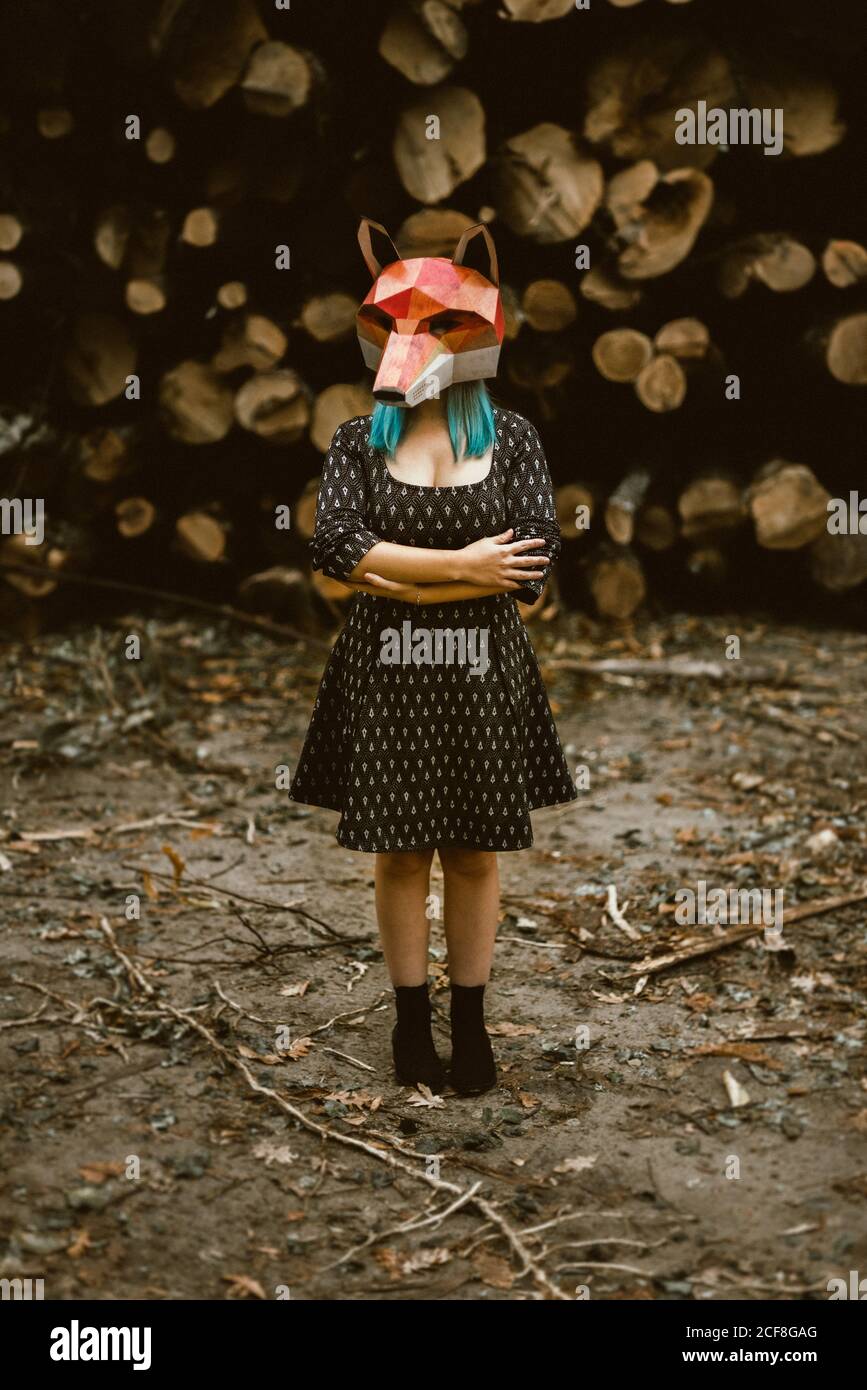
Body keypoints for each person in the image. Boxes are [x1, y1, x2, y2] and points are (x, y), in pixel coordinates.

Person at [288, 220, 577, 1095]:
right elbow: (336, 547)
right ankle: (411, 1026)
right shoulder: (355, 442)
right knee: (402, 854)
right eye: (398, 326)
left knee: (474, 853)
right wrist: (460, 569)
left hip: (482, 670)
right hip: (386, 673)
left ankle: (472, 1025)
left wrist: (403, 581)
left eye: (440, 327)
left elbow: (528, 559)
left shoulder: (514, 439)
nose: (416, 345)